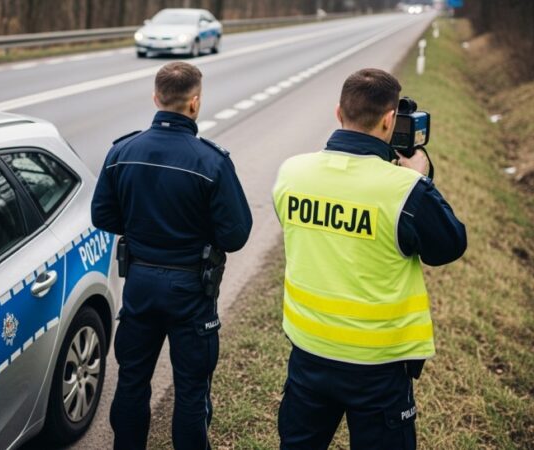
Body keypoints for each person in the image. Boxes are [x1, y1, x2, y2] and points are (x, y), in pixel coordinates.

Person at [273, 68, 467, 449]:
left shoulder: (291, 172)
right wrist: (422, 180)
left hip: (308, 353)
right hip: (378, 365)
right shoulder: (404, 189)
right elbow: (449, 246)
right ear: (390, 120)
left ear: (338, 113)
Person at [92, 61, 252, 450]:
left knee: (131, 380)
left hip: (140, 285)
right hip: (191, 290)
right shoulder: (212, 162)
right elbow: (236, 235)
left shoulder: (122, 152)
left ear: (155, 97)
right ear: (195, 103)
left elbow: (103, 215)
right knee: (192, 390)